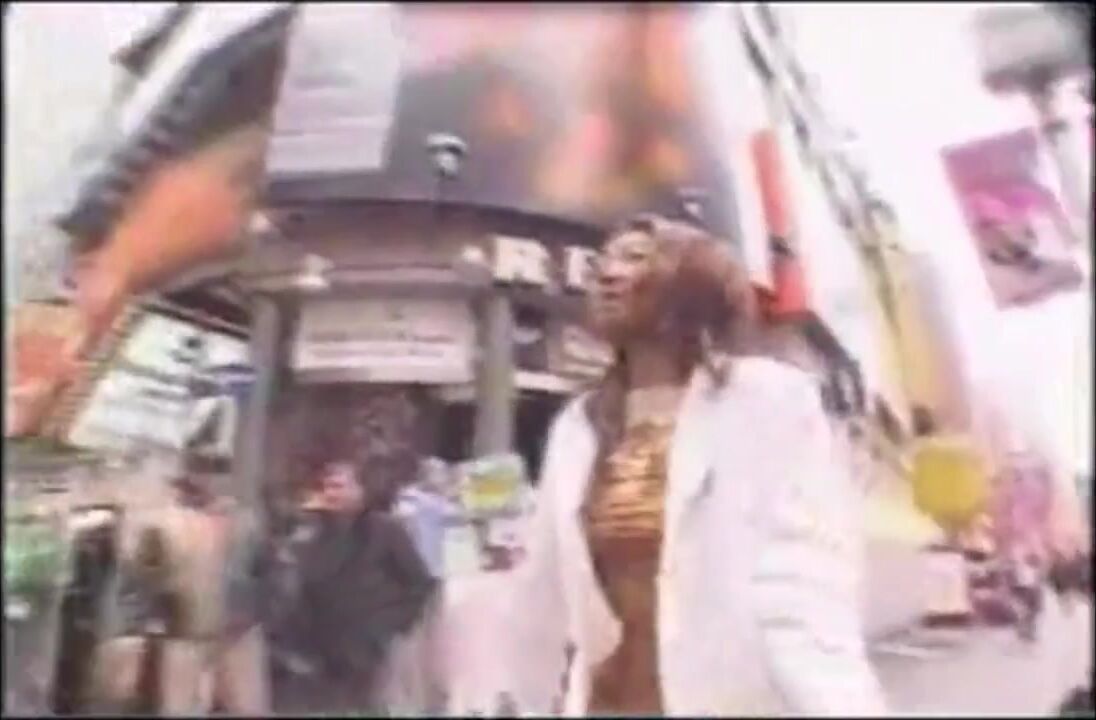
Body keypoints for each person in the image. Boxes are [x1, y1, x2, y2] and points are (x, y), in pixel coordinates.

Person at [502, 214, 886, 716]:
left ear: (695, 281)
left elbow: (808, 571)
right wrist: (520, 699)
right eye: (603, 261)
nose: (608, 273)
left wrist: (838, 700)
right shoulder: (578, 426)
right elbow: (543, 592)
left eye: (636, 259)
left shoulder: (765, 399)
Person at [92, 450, 271, 715]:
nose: (211, 479)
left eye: (217, 471)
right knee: (180, 708)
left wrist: (257, 612)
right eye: (203, 470)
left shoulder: (245, 521)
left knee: (249, 708)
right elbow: (138, 583)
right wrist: (133, 632)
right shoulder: (162, 523)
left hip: (238, 633)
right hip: (184, 633)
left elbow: (264, 571)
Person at [271, 453, 437, 714]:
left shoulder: (385, 530)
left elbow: (419, 583)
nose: (331, 494)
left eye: (338, 486)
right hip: (323, 650)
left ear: (359, 489)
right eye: (326, 487)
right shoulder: (315, 534)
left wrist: (389, 626)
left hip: (372, 646)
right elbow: (303, 588)